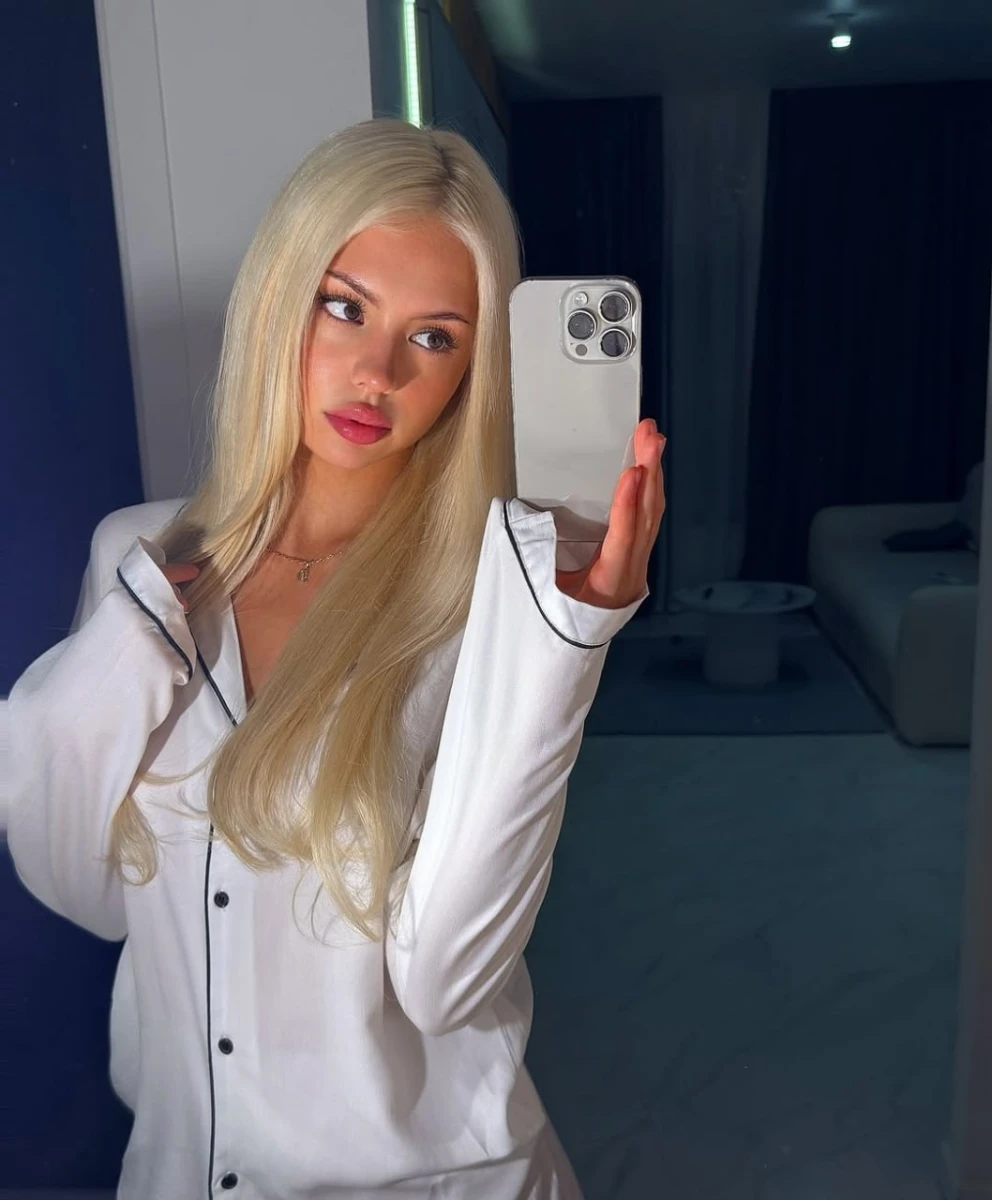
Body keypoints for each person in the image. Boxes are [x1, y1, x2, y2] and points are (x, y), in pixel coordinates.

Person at [6, 118, 666, 1199]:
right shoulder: (138, 559)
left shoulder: (496, 599)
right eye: (345, 307)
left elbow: (446, 982)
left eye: (434, 337)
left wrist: (565, 643)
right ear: (281, 297)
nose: (377, 373)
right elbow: (87, 890)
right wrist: (129, 646)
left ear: (471, 371)